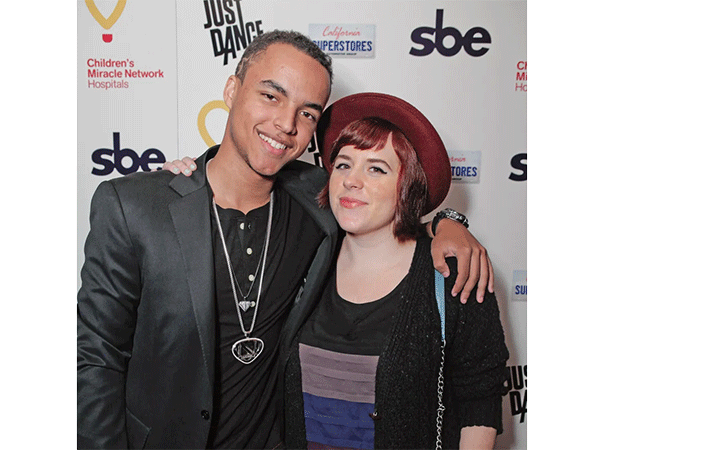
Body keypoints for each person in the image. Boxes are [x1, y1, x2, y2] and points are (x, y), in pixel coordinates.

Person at [78, 30, 493, 449]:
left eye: (307, 113)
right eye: (271, 96)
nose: (286, 124)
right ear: (231, 89)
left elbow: (384, 210)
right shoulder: (136, 207)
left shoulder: (315, 203)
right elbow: (96, 358)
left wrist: (449, 223)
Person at [281, 93, 509, 450]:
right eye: (343, 164)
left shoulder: (453, 274)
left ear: (408, 186)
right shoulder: (305, 254)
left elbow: (479, 400)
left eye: (376, 169)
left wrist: (447, 222)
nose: (352, 180)